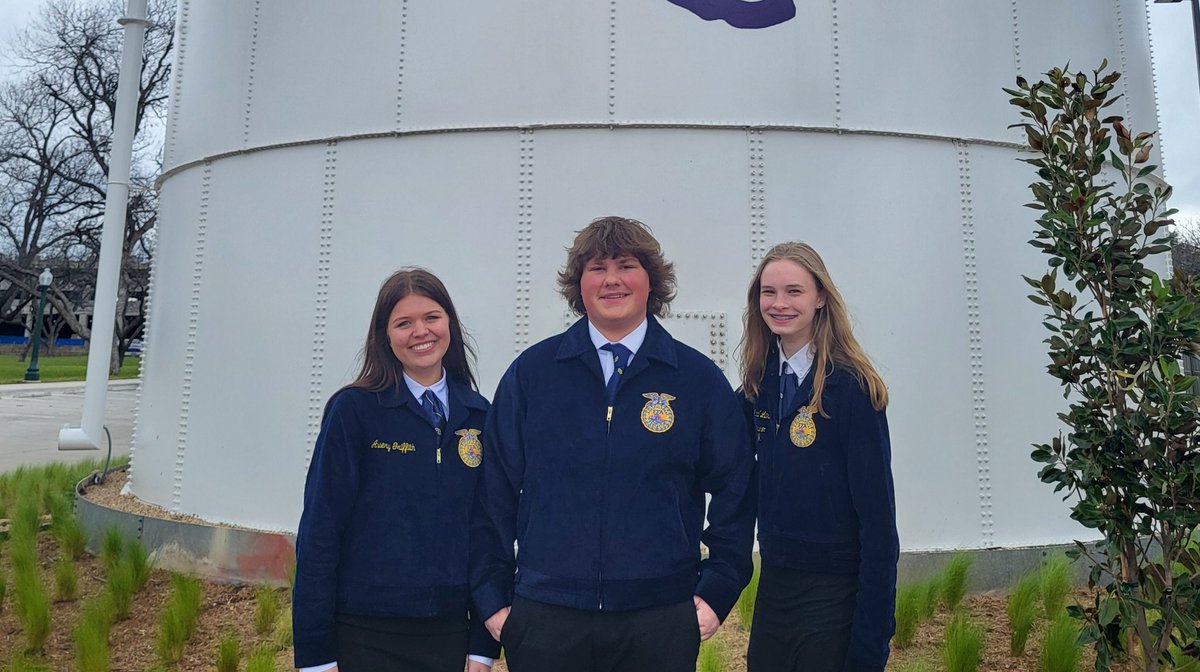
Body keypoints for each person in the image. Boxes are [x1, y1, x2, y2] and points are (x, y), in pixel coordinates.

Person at [471, 216, 755, 672]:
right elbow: (493, 492)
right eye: (597, 268)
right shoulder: (533, 375)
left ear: (651, 280)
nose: (612, 280)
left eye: (626, 266)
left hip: (659, 619)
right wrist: (493, 600)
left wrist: (718, 589)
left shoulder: (697, 380)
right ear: (579, 284)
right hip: (547, 618)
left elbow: (735, 488)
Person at [293, 268, 499, 672]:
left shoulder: (479, 416)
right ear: (384, 336)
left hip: (448, 635)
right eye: (403, 323)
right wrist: (317, 656)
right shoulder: (354, 412)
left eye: (432, 317)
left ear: (450, 324)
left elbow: (488, 534)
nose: (420, 332)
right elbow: (320, 530)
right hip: (364, 635)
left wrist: (482, 647)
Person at [738, 241, 898, 672]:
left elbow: (880, 527)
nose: (779, 304)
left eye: (794, 291)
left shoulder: (851, 389)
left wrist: (871, 641)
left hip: (833, 597)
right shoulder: (758, 386)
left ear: (821, 297)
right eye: (769, 292)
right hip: (775, 590)